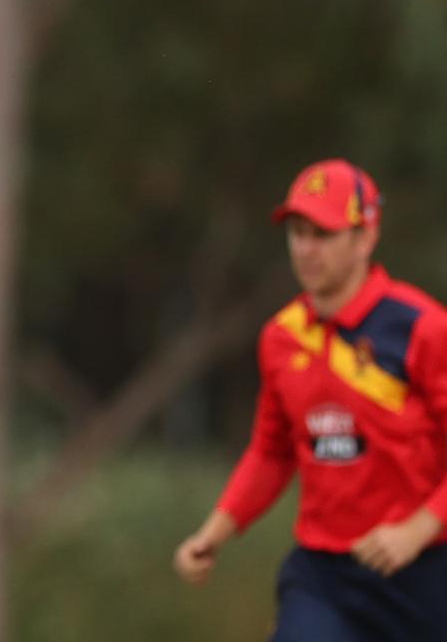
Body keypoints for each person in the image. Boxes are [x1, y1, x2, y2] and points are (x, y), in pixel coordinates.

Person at [173, 159, 447, 640]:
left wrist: (417, 531)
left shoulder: (422, 328)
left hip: (426, 573)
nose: (305, 249)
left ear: (364, 238)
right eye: (297, 233)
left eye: (323, 234)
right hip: (325, 577)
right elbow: (271, 452)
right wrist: (212, 534)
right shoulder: (281, 338)